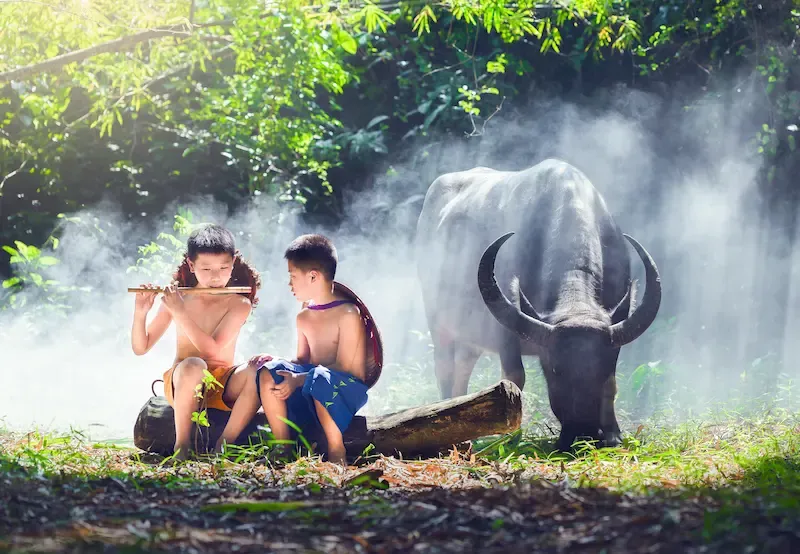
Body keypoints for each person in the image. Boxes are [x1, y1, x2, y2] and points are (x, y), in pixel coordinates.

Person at [131, 223, 262, 459]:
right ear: (191, 265)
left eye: (224, 267)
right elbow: (141, 347)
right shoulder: (179, 299)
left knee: (257, 372)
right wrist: (141, 312)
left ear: (233, 263)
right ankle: (182, 446)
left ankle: (224, 444)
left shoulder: (238, 304)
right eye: (207, 269)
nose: (216, 276)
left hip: (221, 383)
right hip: (185, 378)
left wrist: (180, 312)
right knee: (194, 365)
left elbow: (211, 350)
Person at [253, 234, 375, 466]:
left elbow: (345, 367)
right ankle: (283, 447)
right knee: (270, 371)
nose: (289, 284)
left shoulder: (348, 313)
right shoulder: (304, 316)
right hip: (312, 384)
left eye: (292, 277)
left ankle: (337, 451)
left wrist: (298, 379)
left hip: (345, 389)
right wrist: (279, 366)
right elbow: (301, 359)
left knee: (319, 376)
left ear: (312, 276)